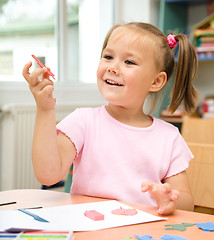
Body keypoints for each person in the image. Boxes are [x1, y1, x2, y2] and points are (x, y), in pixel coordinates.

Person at [23, 22, 198, 215]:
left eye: (129, 62)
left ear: (156, 81)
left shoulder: (169, 137)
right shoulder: (83, 121)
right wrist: (45, 109)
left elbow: (186, 202)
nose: (113, 67)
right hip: (89, 228)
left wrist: (170, 198)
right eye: (108, 57)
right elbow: (48, 175)